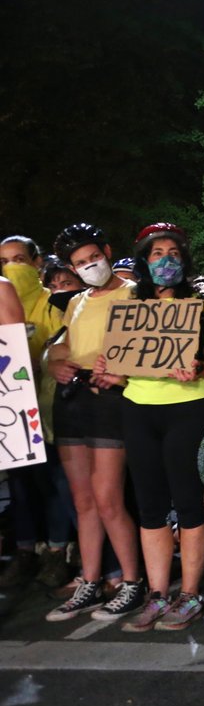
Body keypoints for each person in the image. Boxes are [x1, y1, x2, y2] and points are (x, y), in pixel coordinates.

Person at [97, 223, 204, 632]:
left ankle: (189, 595)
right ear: (144, 261)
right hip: (138, 409)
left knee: (189, 501)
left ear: (184, 260)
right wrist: (107, 371)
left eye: (172, 252)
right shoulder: (128, 309)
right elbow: (121, 366)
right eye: (156, 253)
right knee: (149, 506)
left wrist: (199, 368)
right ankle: (156, 594)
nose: (165, 259)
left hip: (189, 409)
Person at [44, 223, 144, 622]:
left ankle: (132, 582)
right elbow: (64, 342)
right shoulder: (77, 301)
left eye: (92, 258)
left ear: (106, 250)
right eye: (79, 263)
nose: (88, 267)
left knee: (108, 499)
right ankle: (90, 580)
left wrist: (119, 369)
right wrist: (56, 359)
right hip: (73, 402)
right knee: (83, 501)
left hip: (110, 402)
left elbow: (146, 347)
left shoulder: (134, 292)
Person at [0, 236, 73, 590]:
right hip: (11, 413)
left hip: (50, 409)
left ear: (37, 263)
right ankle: (25, 551)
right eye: (4, 262)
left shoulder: (54, 304)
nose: (12, 268)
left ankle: (58, 552)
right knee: (21, 487)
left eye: (19, 260)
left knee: (57, 484)